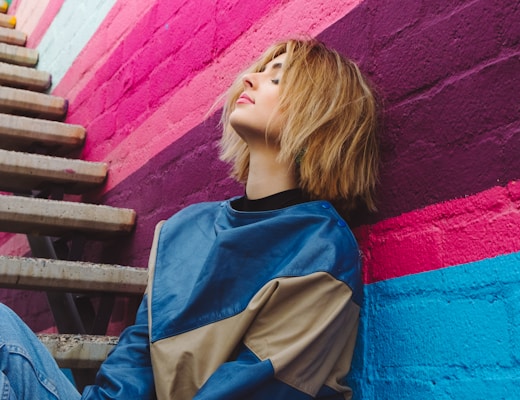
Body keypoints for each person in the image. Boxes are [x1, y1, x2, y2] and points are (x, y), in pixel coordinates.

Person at [0, 38, 379, 399]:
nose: (249, 77)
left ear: (320, 115)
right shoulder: (184, 228)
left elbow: (257, 389)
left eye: (277, 78)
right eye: (260, 70)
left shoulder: (321, 252)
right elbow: (135, 357)